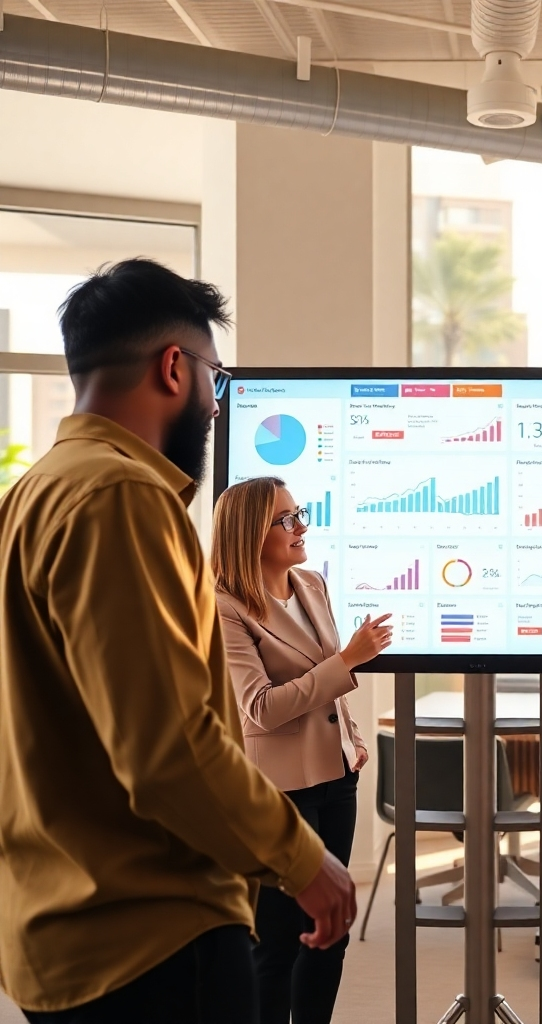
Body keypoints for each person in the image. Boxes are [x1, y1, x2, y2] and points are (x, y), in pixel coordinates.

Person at [0, 259, 356, 1024]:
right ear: (174, 367)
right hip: (151, 937)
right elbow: (166, 751)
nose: (216, 406)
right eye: (216, 381)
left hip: (59, 926)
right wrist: (302, 860)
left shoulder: (32, 494)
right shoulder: (123, 495)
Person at [212, 477, 392, 1024]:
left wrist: (353, 739)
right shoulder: (224, 606)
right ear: (250, 533)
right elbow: (259, 709)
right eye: (286, 520)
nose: (302, 527)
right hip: (279, 792)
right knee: (278, 944)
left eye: (300, 514)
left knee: (329, 935)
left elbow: (324, 685)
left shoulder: (312, 583)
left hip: (337, 780)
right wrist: (350, 660)